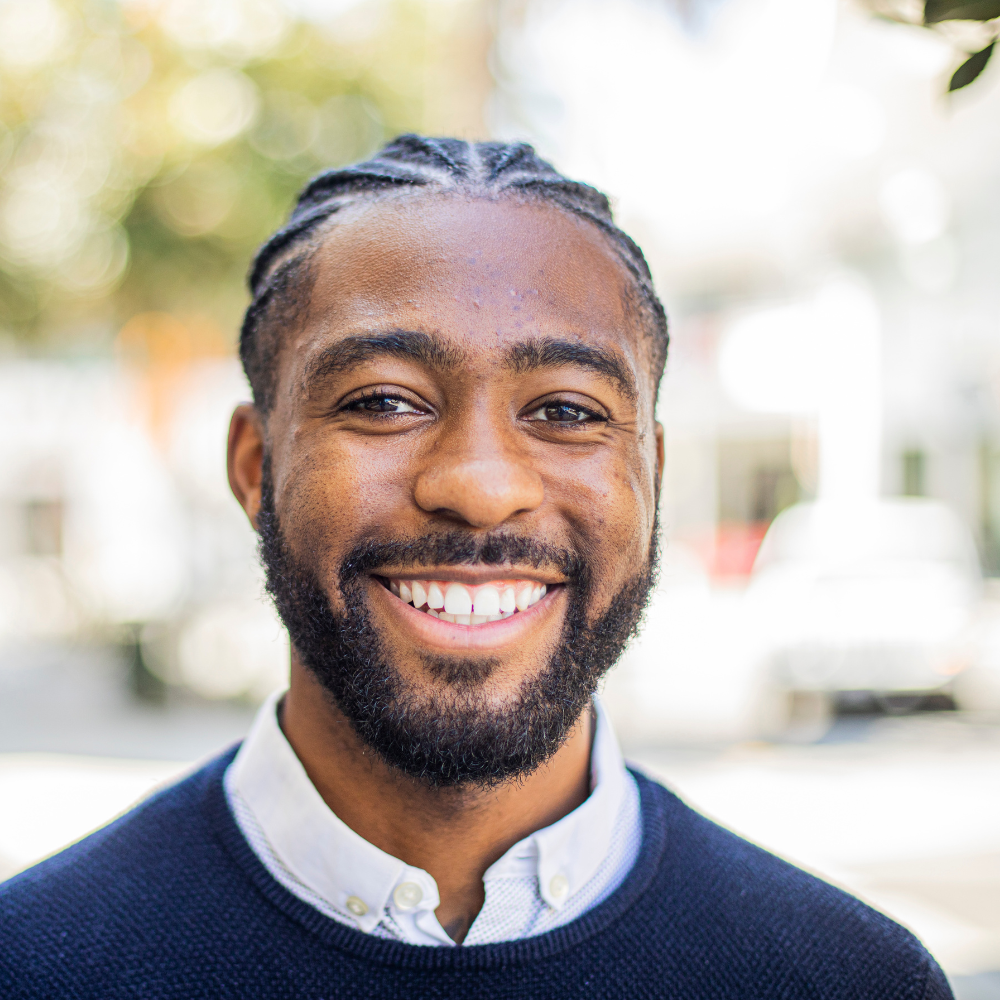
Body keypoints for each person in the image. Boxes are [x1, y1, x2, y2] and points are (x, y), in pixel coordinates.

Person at [0, 135, 952, 999]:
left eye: (568, 412)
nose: (482, 487)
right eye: (382, 401)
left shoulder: (848, 980)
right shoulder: (35, 965)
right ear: (257, 468)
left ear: (652, 471)